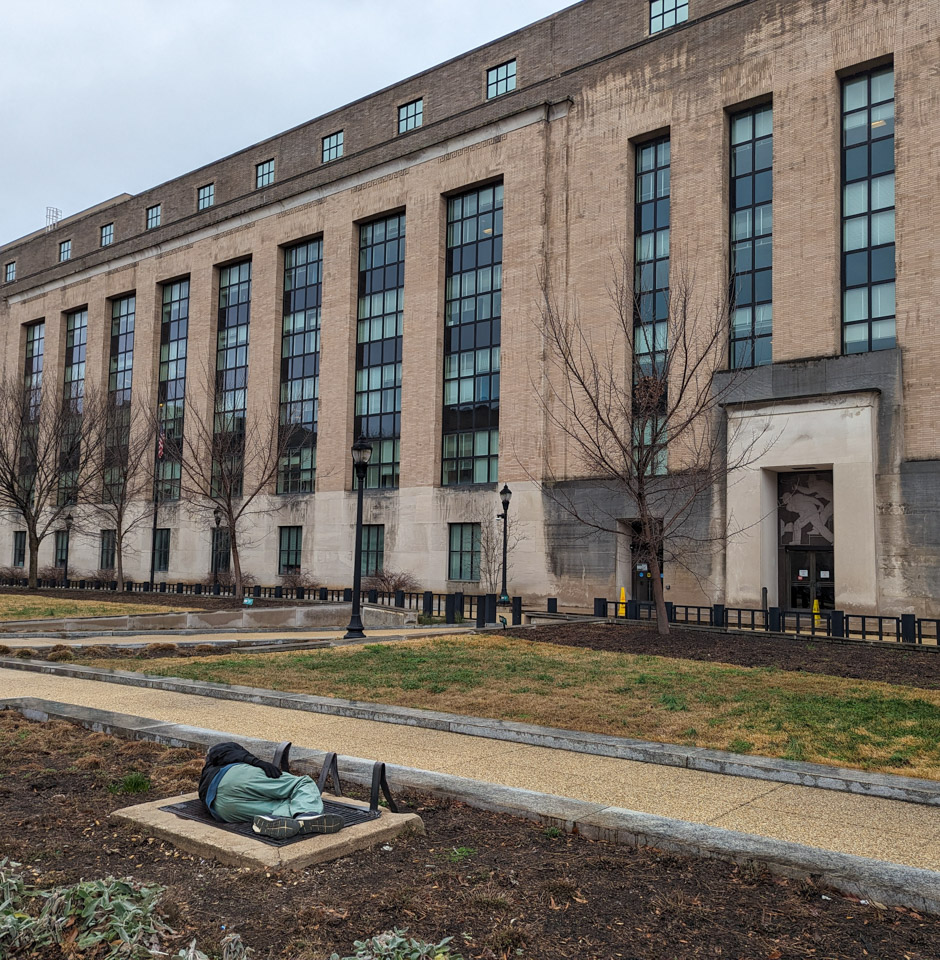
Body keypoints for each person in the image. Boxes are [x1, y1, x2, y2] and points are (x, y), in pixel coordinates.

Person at [198, 741, 343, 839]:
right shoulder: (223, 753)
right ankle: (307, 813)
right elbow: (218, 751)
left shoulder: (204, 777)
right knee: (302, 783)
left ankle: (275, 820)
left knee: (282, 806)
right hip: (233, 776)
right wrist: (256, 762)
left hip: (220, 808)